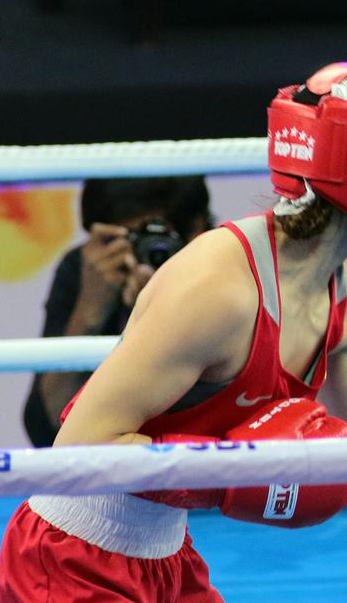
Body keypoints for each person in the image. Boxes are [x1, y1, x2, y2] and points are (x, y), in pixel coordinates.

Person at [0, 62, 347, 603]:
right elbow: (79, 451)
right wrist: (231, 471)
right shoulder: (216, 290)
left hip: (167, 558)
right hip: (67, 559)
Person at [23, 175, 213, 447]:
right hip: (102, 470)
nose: (139, 252)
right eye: (129, 238)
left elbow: (214, 424)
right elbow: (45, 429)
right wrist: (89, 310)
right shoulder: (87, 270)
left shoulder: (223, 268)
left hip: (190, 467)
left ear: (196, 229)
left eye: (154, 236)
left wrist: (160, 315)